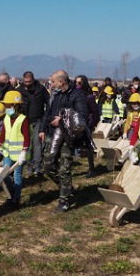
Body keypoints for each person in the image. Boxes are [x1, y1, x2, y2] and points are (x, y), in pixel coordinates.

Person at [39, 70, 88, 213]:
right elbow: (47, 113)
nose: (51, 84)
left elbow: (82, 116)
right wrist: (42, 129)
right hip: (52, 135)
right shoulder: (55, 95)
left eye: (53, 82)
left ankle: (64, 200)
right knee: (48, 166)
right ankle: (65, 187)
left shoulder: (77, 95)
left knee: (64, 168)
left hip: (68, 138)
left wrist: (62, 119)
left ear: (61, 82)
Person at [0, 91, 30, 210]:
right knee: (4, 174)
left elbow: (27, 138)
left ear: (16, 106)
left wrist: (23, 153)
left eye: (8, 105)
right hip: (8, 152)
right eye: (6, 106)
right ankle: (11, 191)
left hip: (19, 155)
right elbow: (3, 134)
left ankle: (16, 198)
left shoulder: (23, 120)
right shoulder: (6, 118)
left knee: (17, 175)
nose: (6, 108)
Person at [18, 71, 49, 176]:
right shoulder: (20, 90)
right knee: (28, 144)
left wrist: (47, 116)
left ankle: (37, 166)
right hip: (25, 120)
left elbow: (48, 102)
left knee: (37, 143)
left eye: (29, 81)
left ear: (33, 79)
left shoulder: (40, 89)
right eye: (25, 82)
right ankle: (29, 165)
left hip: (38, 119)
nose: (27, 83)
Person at [74, 75, 99, 178]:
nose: (77, 85)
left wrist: (92, 124)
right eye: (76, 82)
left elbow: (95, 112)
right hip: (76, 123)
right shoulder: (75, 96)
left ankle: (91, 169)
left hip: (87, 124)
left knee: (88, 147)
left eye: (79, 83)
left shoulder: (89, 97)